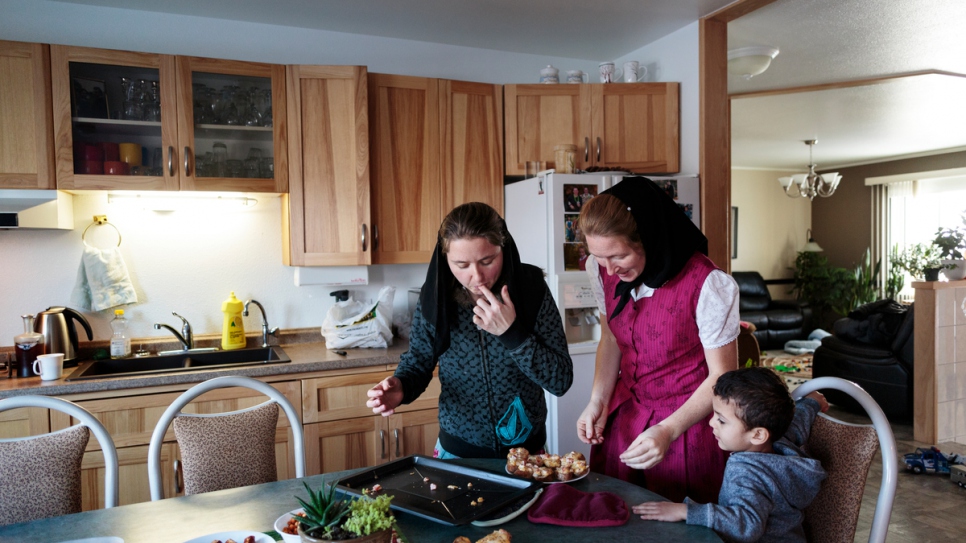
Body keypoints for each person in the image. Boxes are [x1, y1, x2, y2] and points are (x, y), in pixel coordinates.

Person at [575, 177, 740, 503]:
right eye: (598, 258)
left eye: (617, 256)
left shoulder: (708, 284)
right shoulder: (603, 269)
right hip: (627, 422)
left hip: (688, 429)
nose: (608, 271)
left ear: (648, 238)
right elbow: (610, 336)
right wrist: (599, 399)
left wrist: (668, 429)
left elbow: (722, 377)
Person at [367, 202, 573, 458]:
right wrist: (402, 387)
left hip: (527, 454)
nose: (477, 276)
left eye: (487, 260)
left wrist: (512, 334)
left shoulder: (532, 290)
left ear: (504, 249)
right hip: (458, 452)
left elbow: (560, 381)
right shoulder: (436, 295)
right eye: (461, 265)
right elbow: (419, 361)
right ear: (446, 260)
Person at [635, 367, 828, 543]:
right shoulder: (780, 442)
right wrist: (812, 402)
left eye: (722, 420)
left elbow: (746, 524)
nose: (712, 423)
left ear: (758, 434)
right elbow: (797, 424)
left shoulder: (746, 473)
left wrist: (685, 511)